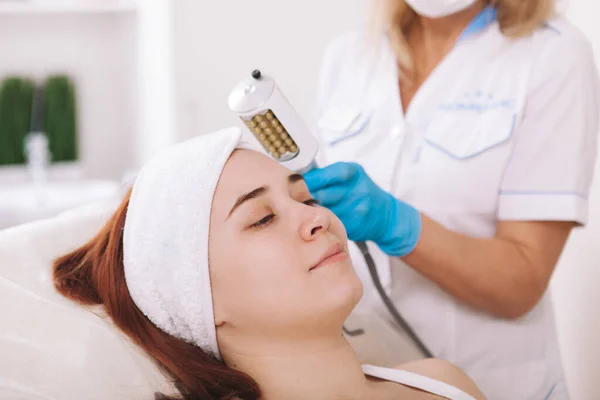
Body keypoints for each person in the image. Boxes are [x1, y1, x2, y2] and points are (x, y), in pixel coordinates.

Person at [52, 128, 485, 400]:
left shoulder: (442, 384)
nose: (317, 218)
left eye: (304, 198)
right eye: (262, 219)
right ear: (200, 299)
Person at [305, 0, 600, 399]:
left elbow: (523, 279)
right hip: (371, 380)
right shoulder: (350, 54)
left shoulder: (552, 53)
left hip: (497, 381)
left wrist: (395, 223)